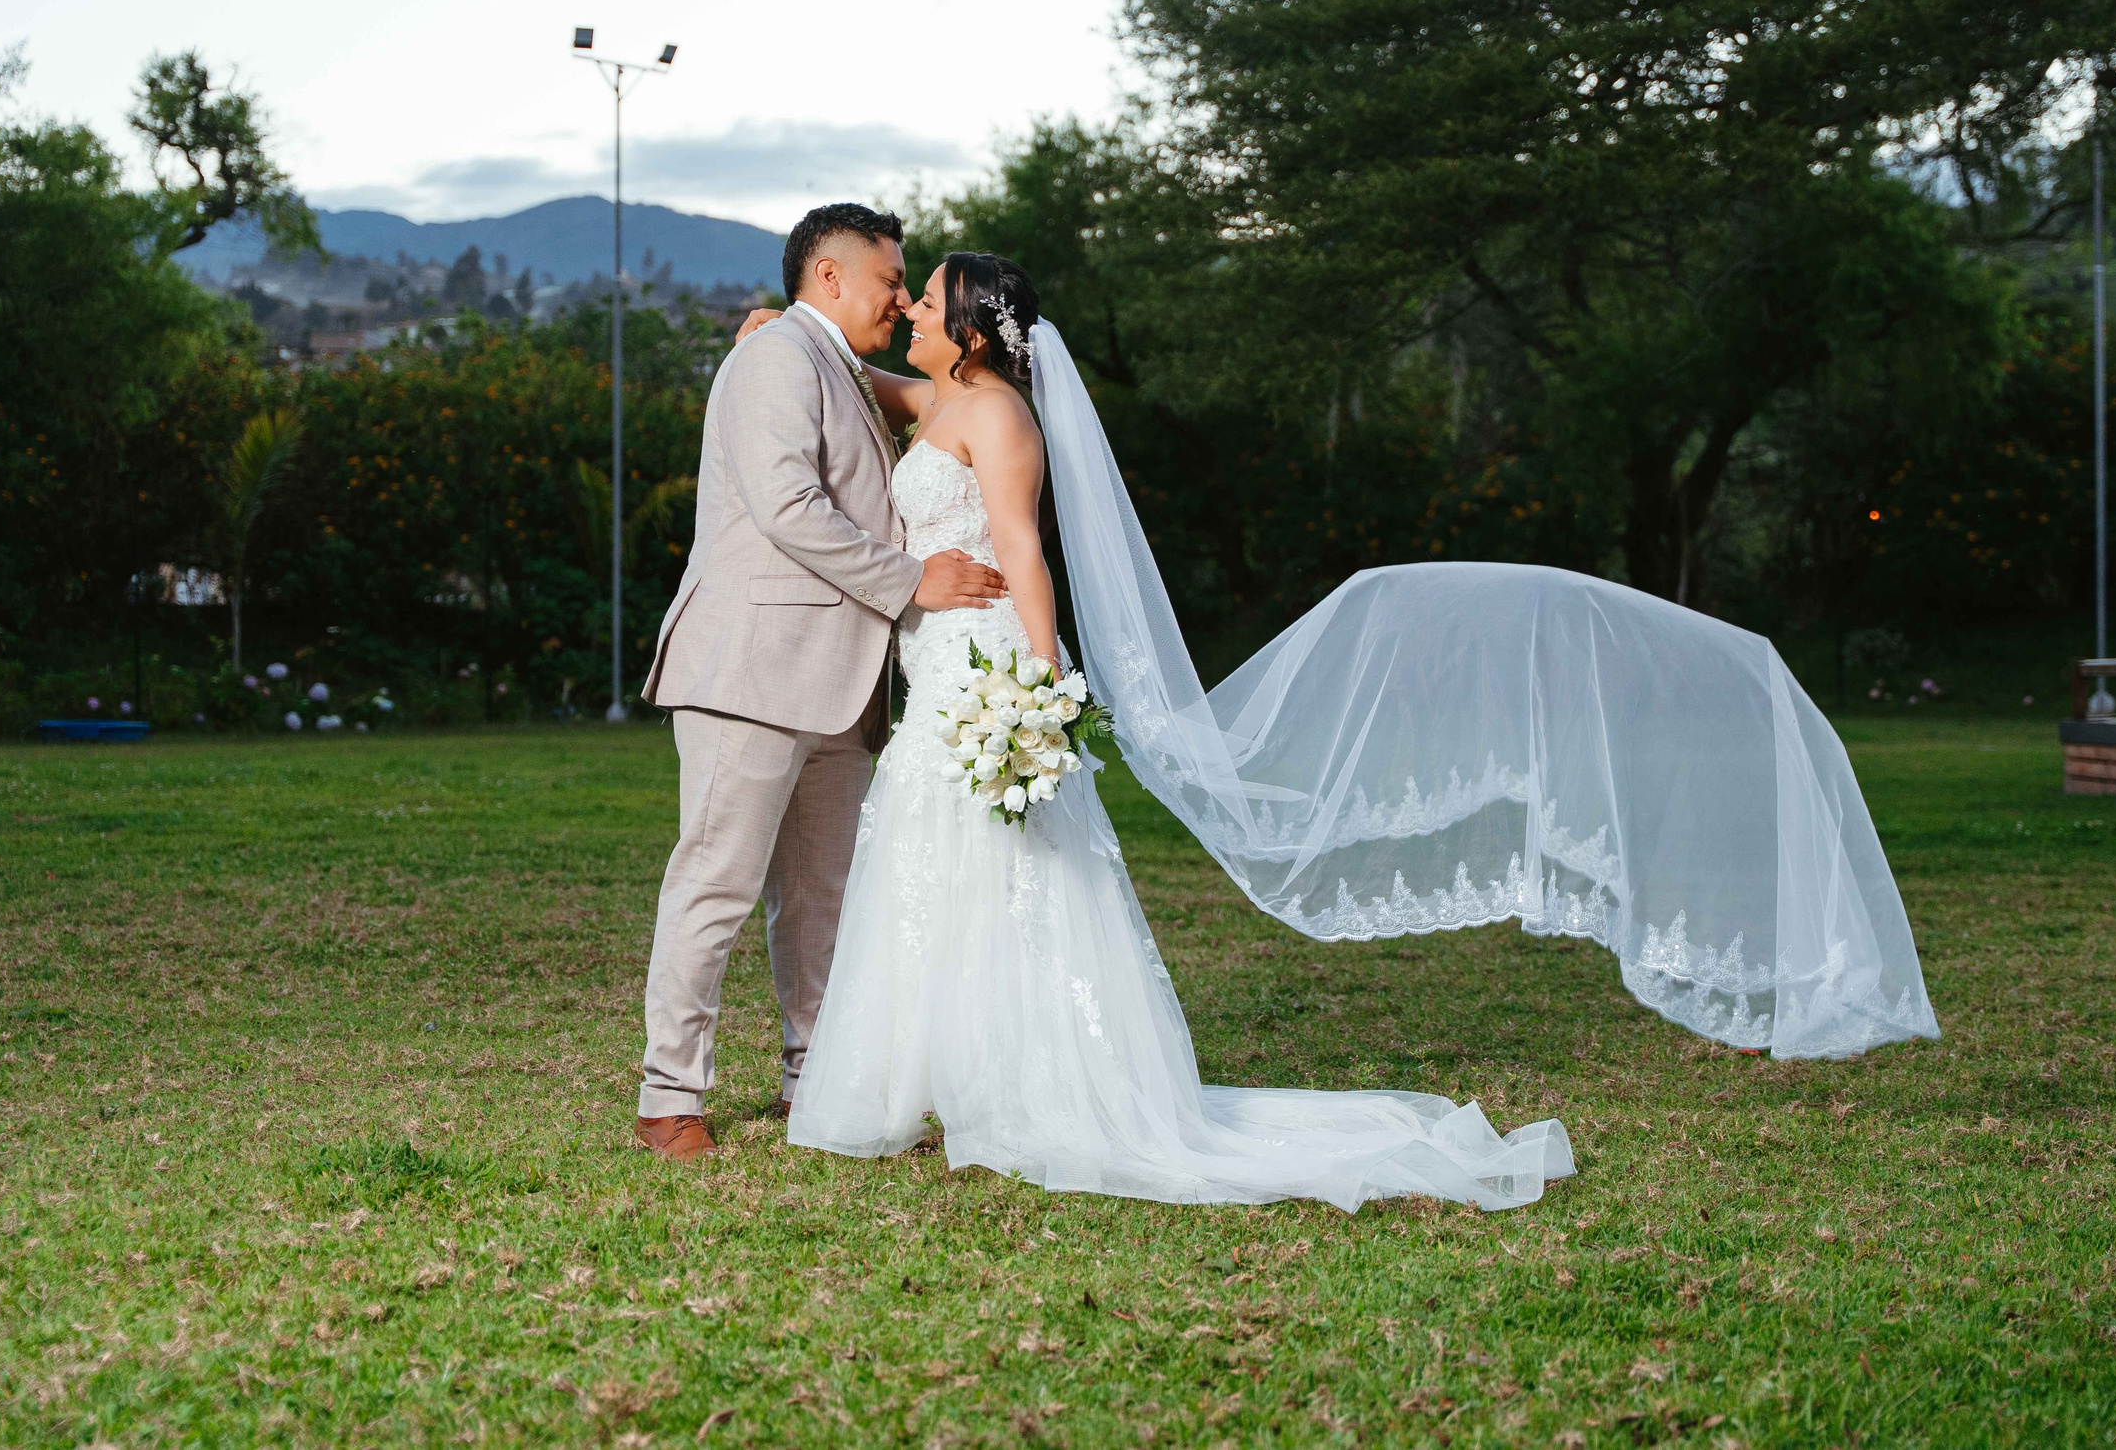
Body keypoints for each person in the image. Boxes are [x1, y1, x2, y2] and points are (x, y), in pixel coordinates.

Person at [784, 252, 1575, 1209]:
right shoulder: (943, 398)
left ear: (975, 333)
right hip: (936, 663)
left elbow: (1027, 551)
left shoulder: (997, 415)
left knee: (1007, 869)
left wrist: (1041, 688)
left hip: (986, 662)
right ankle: (926, 1079)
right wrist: (785, 332)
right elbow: (876, 383)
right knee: (927, 862)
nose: (908, 303)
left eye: (927, 294)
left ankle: (1023, 1081)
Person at [630, 206, 1008, 1162]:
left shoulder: (835, 362)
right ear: (830, 277)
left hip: (842, 685)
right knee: (714, 883)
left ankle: (818, 1084)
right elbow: (789, 505)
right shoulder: (776, 359)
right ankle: (669, 1096)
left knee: (821, 898)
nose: (899, 296)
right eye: (891, 279)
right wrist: (911, 581)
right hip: (750, 670)